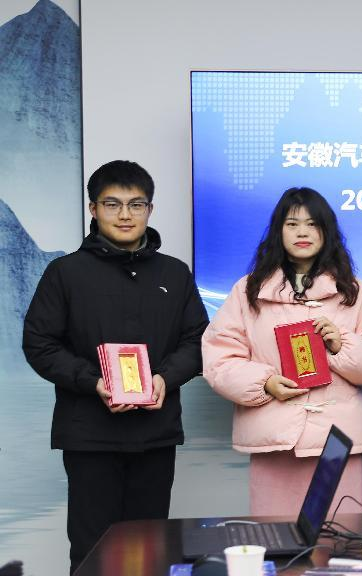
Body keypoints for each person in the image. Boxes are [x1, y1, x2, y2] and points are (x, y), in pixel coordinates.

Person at [22, 160, 209, 574]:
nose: (125, 215)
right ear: (93, 209)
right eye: (112, 204)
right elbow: (40, 344)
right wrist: (93, 382)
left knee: (151, 548)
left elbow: (198, 341)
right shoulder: (65, 273)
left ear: (149, 210)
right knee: (93, 551)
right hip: (90, 436)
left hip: (156, 433)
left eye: (136, 205)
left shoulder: (174, 273)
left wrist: (165, 378)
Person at [202, 187, 362, 516]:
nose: (302, 232)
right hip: (275, 438)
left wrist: (341, 345)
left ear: (327, 231)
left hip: (336, 440)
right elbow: (219, 358)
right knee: (276, 535)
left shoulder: (355, 292)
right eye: (292, 224)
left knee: (340, 532)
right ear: (278, 231)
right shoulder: (248, 291)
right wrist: (264, 383)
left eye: (312, 224)